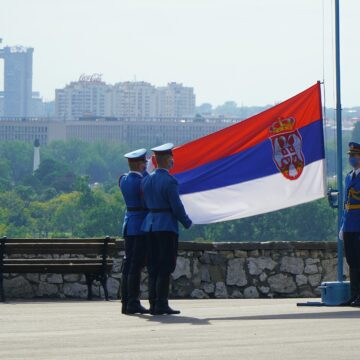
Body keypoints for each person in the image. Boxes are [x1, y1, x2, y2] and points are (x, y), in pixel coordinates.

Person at [141, 143, 192, 315]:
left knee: (153, 266)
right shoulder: (170, 181)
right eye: (171, 158)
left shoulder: (146, 179)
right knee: (166, 265)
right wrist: (187, 222)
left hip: (149, 225)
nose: (173, 161)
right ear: (167, 159)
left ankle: (153, 302)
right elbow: (176, 207)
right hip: (166, 226)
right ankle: (161, 303)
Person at [119, 148, 149, 314]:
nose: (146, 165)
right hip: (139, 226)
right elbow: (146, 199)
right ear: (139, 164)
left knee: (128, 264)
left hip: (129, 224)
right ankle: (133, 301)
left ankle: (125, 301)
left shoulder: (123, 180)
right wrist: (146, 173)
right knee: (135, 266)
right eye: (143, 162)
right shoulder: (142, 182)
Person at [340, 142, 360, 306]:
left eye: (354, 156)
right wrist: (342, 225)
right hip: (349, 225)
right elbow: (346, 203)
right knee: (352, 261)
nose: (351, 158)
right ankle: (354, 295)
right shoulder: (348, 176)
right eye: (350, 156)